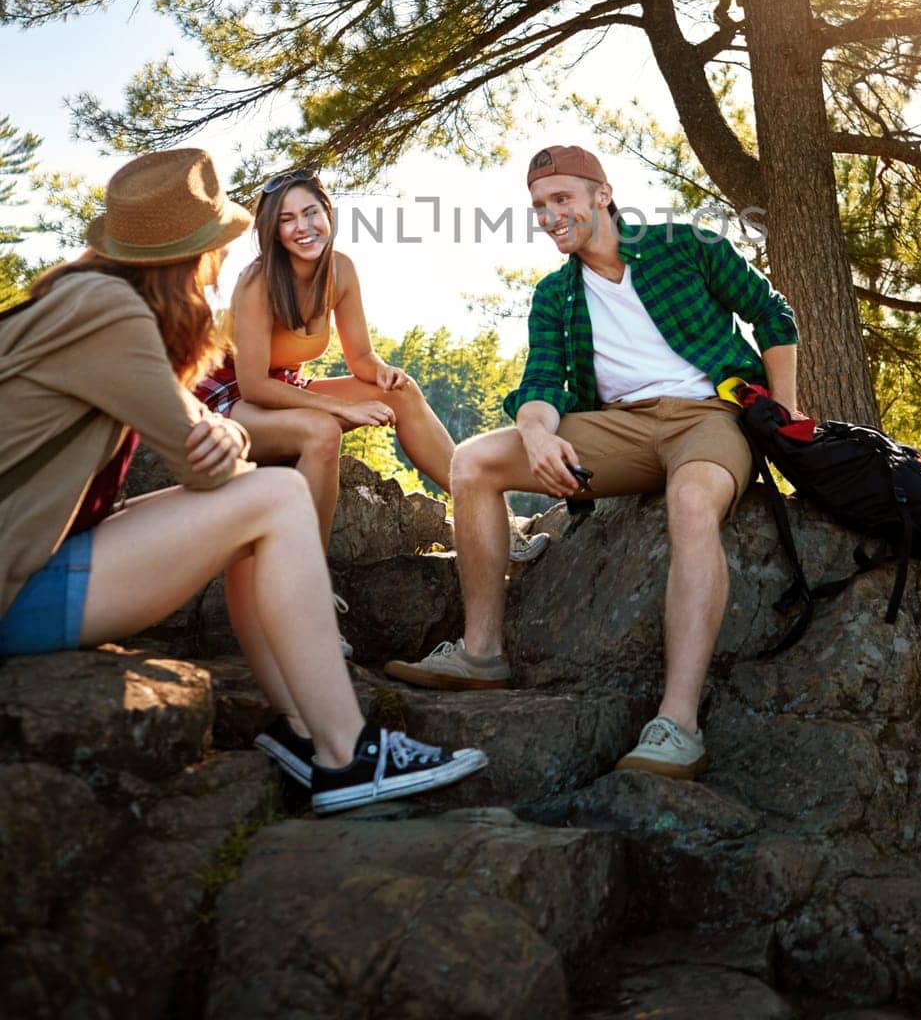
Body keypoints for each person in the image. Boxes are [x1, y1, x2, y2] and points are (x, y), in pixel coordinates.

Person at [0, 148, 486, 815]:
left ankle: (303, 729)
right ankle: (346, 754)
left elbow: (203, 431)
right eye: (219, 244)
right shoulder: (110, 315)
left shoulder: (80, 298)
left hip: (43, 551)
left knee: (259, 513)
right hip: (20, 586)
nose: (224, 259)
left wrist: (217, 431)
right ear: (190, 254)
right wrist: (224, 433)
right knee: (275, 496)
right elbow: (207, 462)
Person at [386, 144, 799, 779]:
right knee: (472, 462)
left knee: (692, 504)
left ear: (601, 196)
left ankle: (677, 724)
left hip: (710, 418)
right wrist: (536, 435)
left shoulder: (683, 246)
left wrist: (787, 413)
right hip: (619, 429)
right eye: (538, 207)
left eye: (561, 200)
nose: (550, 216)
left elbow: (771, 313)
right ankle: (481, 652)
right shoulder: (557, 294)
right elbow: (542, 385)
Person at [196, 166, 549, 572]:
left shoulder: (340, 270)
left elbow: (360, 357)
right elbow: (254, 385)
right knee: (323, 430)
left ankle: (495, 523)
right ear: (273, 231)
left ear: (327, 212)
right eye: (287, 219)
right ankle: (305, 580)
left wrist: (381, 370)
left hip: (287, 388)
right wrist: (342, 409)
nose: (303, 227)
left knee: (401, 391)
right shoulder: (257, 280)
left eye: (311, 213)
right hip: (228, 400)